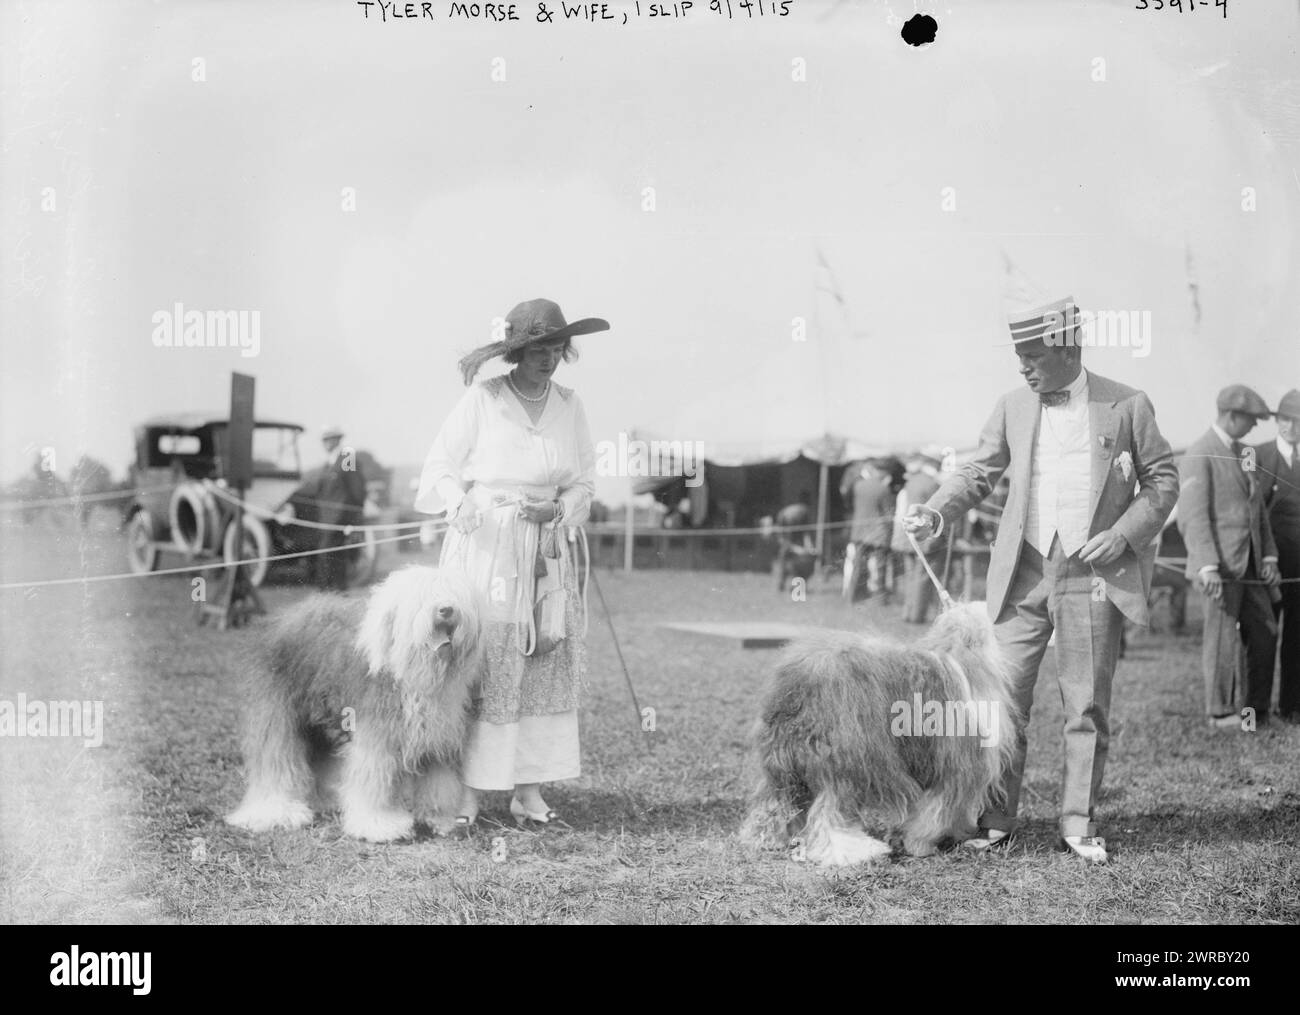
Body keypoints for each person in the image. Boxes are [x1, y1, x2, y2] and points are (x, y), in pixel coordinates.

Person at [905, 295, 1178, 864]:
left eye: (1032, 355)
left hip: (1093, 577)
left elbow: (1162, 481)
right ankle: (997, 817)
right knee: (1001, 705)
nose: (1023, 367)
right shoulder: (1012, 404)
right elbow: (979, 470)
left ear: (1067, 347)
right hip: (1021, 574)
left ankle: (1078, 821)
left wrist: (1125, 534)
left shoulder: (1127, 404)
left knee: (1086, 705)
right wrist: (935, 511)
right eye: (1018, 356)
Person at [415, 298, 606, 829]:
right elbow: (440, 466)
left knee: (542, 655)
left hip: (546, 547)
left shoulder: (571, 404)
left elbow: (585, 482)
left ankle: (528, 789)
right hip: (488, 544)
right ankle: (468, 792)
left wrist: (561, 508)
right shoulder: (485, 399)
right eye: (537, 350)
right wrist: (461, 503)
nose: (548, 360)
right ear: (517, 353)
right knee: (489, 660)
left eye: (556, 349)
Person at [1179, 386, 1281, 729]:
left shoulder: (1243, 453)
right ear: (1232, 416)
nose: (1254, 428)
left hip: (1250, 566)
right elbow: (1192, 516)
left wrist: (1268, 557)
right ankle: (1220, 712)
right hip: (1219, 568)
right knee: (1222, 638)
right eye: (1251, 421)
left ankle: (1256, 713)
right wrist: (1207, 565)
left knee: (1266, 631)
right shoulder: (1199, 453)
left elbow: (1258, 512)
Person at [1254, 389, 1300, 722]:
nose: (1292, 427)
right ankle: (1253, 713)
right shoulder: (1255, 455)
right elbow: (1246, 512)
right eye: (1286, 420)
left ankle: (1292, 708)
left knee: (1297, 637)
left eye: (1298, 422)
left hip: (1299, 570)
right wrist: (1261, 559)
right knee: (1261, 638)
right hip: (1265, 567)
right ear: (1277, 421)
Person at [891, 453, 945, 624]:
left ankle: (907, 612)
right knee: (923, 577)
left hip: (909, 536)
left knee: (911, 575)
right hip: (926, 538)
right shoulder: (934, 484)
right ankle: (917, 615)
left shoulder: (911, 482)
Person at [312, 425, 367, 591]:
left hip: (340, 518)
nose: (326, 443)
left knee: (331, 557)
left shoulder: (347, 457)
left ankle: (332, 593)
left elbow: (357, 489)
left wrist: (353, 517)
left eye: (330, 438)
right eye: (324, 439)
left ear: (338, 439)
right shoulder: (328, 462)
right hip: (326, 519)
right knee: (329, 557)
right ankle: (331, 593)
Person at [849, 462, 895, 600]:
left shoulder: (858, 486)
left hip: (859, 531)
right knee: (880, 566)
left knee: (858, 566)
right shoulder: (883, 489)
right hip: (877, 533)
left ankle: (855, 595)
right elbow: (887, 513)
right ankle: (881, 597)